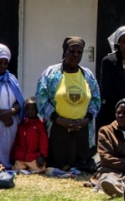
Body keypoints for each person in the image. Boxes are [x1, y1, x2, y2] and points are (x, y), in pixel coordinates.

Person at [35, 37, 101, 172]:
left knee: (82, 166)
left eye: (79, 52)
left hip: (82, 128)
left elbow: (96, 99)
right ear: (64, 52)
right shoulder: (50, 73)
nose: (75, 55)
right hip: (58, 127)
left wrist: (86, 120)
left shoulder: (87, 75)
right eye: (72, 51)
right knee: (58, 166)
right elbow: (41, 99)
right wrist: (59, 120)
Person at [11, 98, 49, 174]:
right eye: (28, 109)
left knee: (40, 170)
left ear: (37, 110)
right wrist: (12, 156)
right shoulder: (21, 125)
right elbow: (16, 142)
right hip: (21, 158)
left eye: (33, 109)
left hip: (34, 158)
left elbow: (43, 141)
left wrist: (42, 155)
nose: (30, 111)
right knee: (16, 171)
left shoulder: (40, 125)